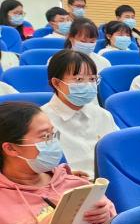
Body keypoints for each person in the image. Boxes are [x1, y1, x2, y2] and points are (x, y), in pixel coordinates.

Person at [40, 51, 117, 179]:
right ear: (56, 83)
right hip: (66, 184)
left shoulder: (103, 115)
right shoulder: (41, 121)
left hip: (109, 182)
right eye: (79, 79)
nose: (88, 85)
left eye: (92, 79)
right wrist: (63, 175)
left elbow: (118, 152)